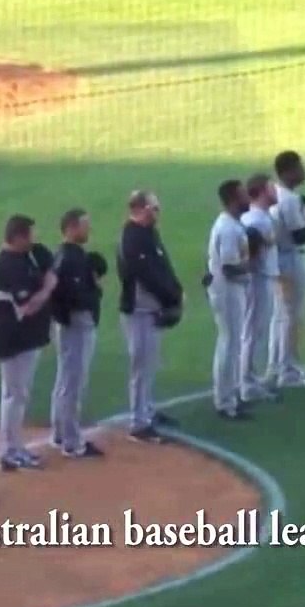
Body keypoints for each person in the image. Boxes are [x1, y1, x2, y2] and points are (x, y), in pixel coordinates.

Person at [0, 214, 56, 472]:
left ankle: (13, 448)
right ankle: (9, 452)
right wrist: (48, 288)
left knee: (15, 393)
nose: (34, 240)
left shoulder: (25, 256)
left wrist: (47, 277)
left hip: (23, 336)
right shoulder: (8, 265)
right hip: (10, 339)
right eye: (30, 235)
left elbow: (47, 264)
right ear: (17, 237)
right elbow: (28, 306)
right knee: (15, 395)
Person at [117, 190, 184, 443]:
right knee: (141, 366)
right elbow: (146, 275)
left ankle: (147, 410)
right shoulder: (132, 237)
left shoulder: (148, 233)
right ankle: (138, 423)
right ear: (141, 209)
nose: (158, 212)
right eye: (154, 208)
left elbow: (163, 266)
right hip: (139, 310)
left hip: (151, 309)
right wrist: (170, 297)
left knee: (150, 364)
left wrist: (176, 292)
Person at [48, 208, 105, 459]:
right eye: (84, 225)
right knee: (73, 383)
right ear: (71, 228)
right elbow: (75, 297)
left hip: (68, 325)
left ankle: (60, 433)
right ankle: (72, 442)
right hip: (77, 325)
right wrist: (95, 290)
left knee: (65, 379)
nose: (88, 229)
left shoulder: (63, 255)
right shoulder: (71, 259)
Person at [267, 151, 305, 388]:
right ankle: (289, 371)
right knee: (293, 316)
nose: (303, 171)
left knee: (280, 315)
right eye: (299, 167)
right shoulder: (290, 199)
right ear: (288, 172)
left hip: (277, 259)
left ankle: (275, 366)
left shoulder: (275, 193)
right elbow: (300, 235)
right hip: (292, 259)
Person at [205, 180, 255, 420]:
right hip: (228, 291)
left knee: (232, 343)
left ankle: (230, 396)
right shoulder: (228, 228)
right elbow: (229, 267)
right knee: (229, 343)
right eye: (244, 195)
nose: (248, 198)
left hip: (231, 289)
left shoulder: (233, 224)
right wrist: (250, 265)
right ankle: (225, 401)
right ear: (234, 200)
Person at [239, 173, 279, 401]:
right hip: (257, 279)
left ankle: (249, 379)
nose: (275, 191)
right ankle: (247, 383)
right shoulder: (255, 220)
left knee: (255, 331)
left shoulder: (259, 217)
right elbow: (249, 252)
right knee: (253, 332)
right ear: (262, 192)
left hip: (262, 278)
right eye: (271, 187)